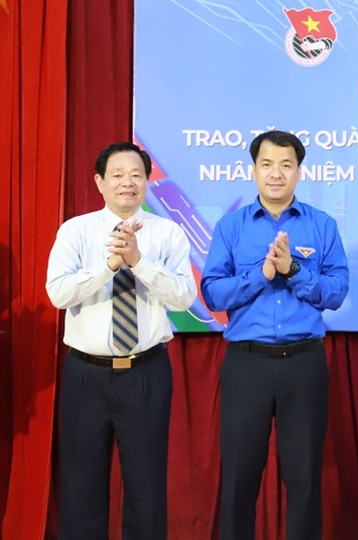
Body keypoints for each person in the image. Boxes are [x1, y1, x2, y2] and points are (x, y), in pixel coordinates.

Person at [201, 130, 349, 540]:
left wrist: (294, 270)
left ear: (299, 172)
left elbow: (337, 292)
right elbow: (213, 293)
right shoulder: (231, 226)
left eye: (286, 165)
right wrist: (262, 274)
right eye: (267, 164)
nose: (276, 173)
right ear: (253, 170)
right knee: (239, 478)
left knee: (304, 479)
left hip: (303, 364)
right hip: (246, 364)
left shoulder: (322, 225)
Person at [45, 142, 196, 540]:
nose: (127, 183)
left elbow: (184, 298)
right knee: (81, 489)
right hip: (86, 374)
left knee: (147, 491)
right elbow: (59, 294)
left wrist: (138, 262)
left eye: (136, 175)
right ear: (99, 182)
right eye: (117, 175)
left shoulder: (167, 232)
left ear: (147, 181)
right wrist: (110, 264)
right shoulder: (76, 231)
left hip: (146, 372)